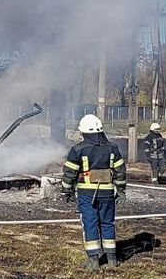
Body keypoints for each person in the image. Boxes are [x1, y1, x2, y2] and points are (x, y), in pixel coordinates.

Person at [60, 114, 127, 270]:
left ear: (83, 132)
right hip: (108, 194)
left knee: (90, 224)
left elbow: (70, 173)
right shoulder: (112, 148)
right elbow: (120, 171)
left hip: (86, 195)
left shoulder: (78, 149)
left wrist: (66, 191)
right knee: (108, 224)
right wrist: (121, 190)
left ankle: (93, 261)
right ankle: (112, 260)